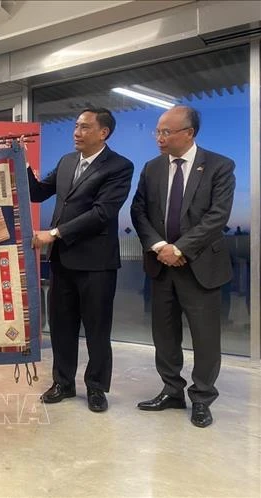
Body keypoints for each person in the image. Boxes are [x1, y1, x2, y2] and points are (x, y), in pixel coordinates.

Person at [130, 105, 235, 428]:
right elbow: (139, 212)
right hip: (161, 265)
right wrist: (161, 246)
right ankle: (171, 390)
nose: (159, 138)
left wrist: (181, 248)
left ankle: (202, 397)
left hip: (200, 266)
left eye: (166, 132)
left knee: (205, 337)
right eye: (157, 132)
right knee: (164, 333)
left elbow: (218, 216)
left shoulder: (218, 166)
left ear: (188, 133)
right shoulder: (151, 169)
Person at [28, 108, 133, 413]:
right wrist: (19, 163)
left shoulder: (118, 167)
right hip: (63, 261)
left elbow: (102, 213)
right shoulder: (66, 162)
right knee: (62, 326)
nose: (76, 132)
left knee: (97, 329)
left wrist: (55, 233)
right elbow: (37, 193)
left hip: (96, 263)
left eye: (85, 127)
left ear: (104, 133)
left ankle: (97, 387)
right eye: (76, 126)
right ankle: (63, 382)